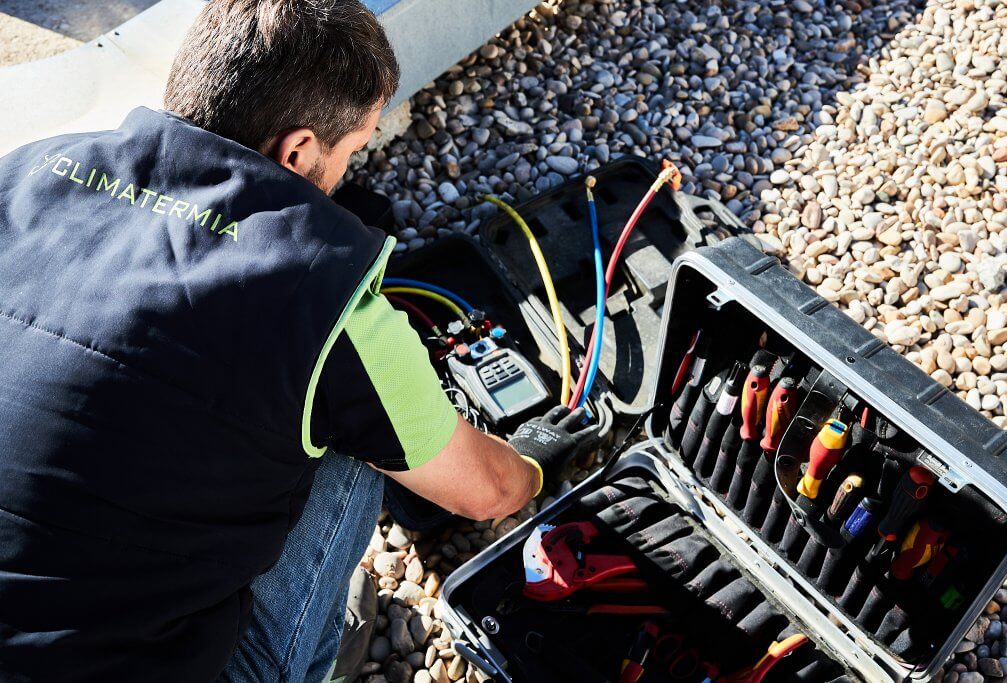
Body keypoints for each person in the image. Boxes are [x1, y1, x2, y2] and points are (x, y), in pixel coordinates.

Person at [0, 0, 598, 680]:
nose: (349, 170)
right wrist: (533, 464)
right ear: (298, 150)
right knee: (355, 444)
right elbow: (484, 493)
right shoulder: (321, 298)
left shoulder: (25, 173)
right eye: (354, 149)